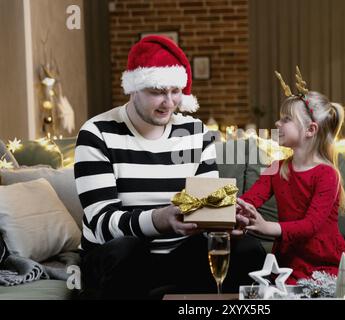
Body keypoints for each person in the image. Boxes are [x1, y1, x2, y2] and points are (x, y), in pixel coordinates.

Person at [74, 35, 265, 299]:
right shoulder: (97, 133)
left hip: (176, 256)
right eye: (157, 92)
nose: (169, 102)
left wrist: (225, 222)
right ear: (134, 88)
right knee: (127, 250)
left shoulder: (195, 132)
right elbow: (101, 222)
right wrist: (159, 219)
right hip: (117, 256)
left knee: (248, 250)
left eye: (175, 91)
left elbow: (206, 205)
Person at [237, 67, 345, 284]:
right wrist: (236, 215)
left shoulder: (327, 174)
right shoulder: (277, 167)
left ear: (310, 130)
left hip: (321, 261)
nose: (277, 123)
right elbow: (250, 199)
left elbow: (310, 225)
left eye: (286, 119)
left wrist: (267, 227)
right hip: (288, 259)